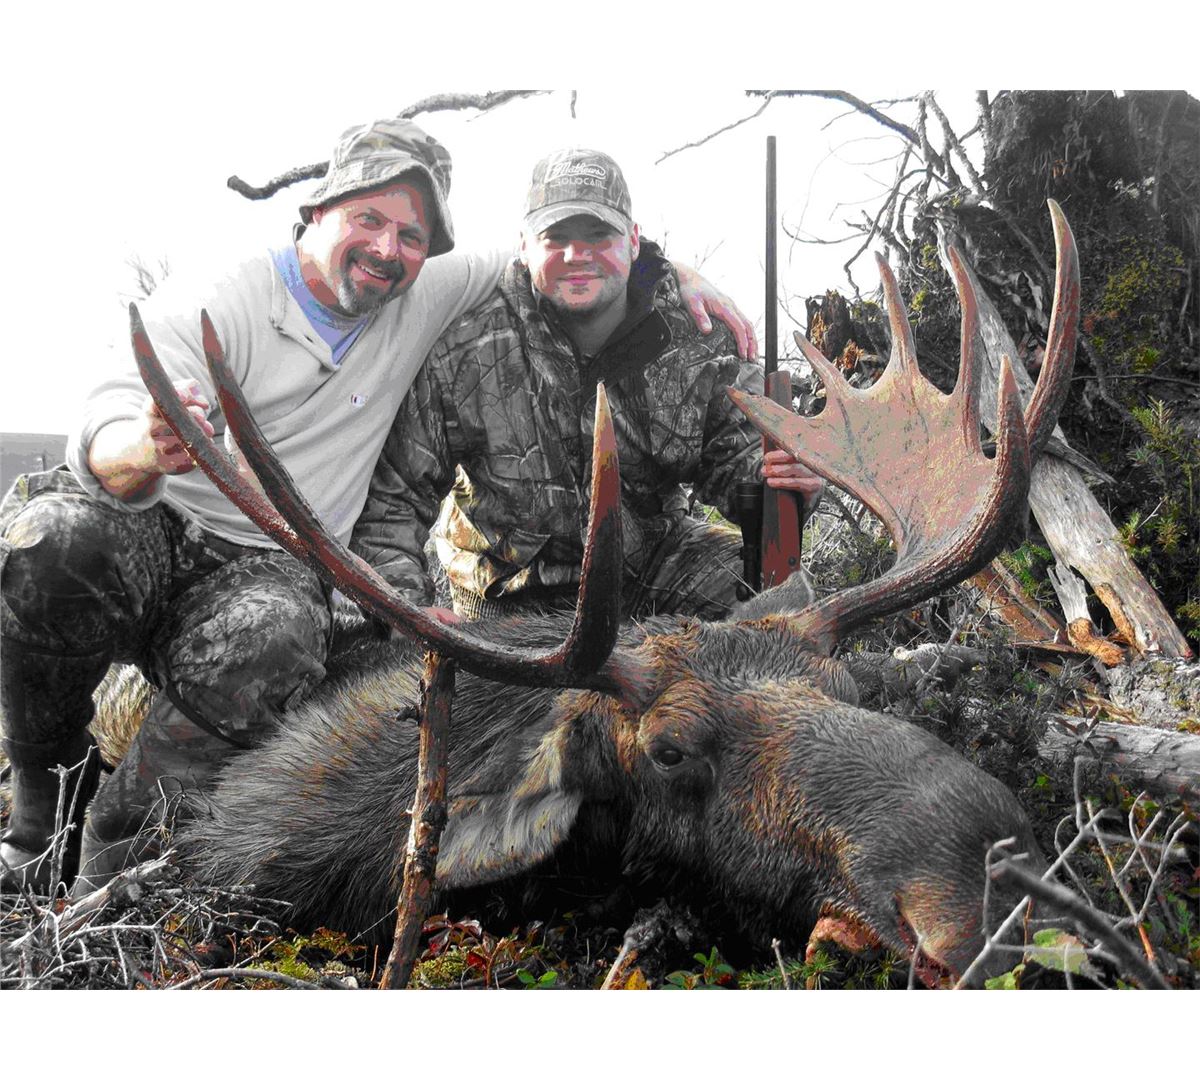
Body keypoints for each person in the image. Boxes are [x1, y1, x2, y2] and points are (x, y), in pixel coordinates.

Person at [0, 120, 753, 893]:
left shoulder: (434, 291)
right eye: (368, 219)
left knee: (272, 638)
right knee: (50, 543)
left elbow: (580, 263)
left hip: (271, 572)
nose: (388, 248)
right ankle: (40, 812)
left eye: (411, 235)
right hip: (173, 523)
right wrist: (144, 444)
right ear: (316, 212)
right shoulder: (226, 295)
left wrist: (673, 275)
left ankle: (116, 836)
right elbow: (108, 422)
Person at [352, 148, 822, 623]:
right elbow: (394, 501)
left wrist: (791, 485)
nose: (577, 255)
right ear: (524, 245)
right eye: (556, 238)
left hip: (653, 575)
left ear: (634, 241)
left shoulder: (699, 336)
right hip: (507, 596)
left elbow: (745, 472)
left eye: (599, 236)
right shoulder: (465, 345)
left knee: (780, 606)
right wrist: (405, 614)